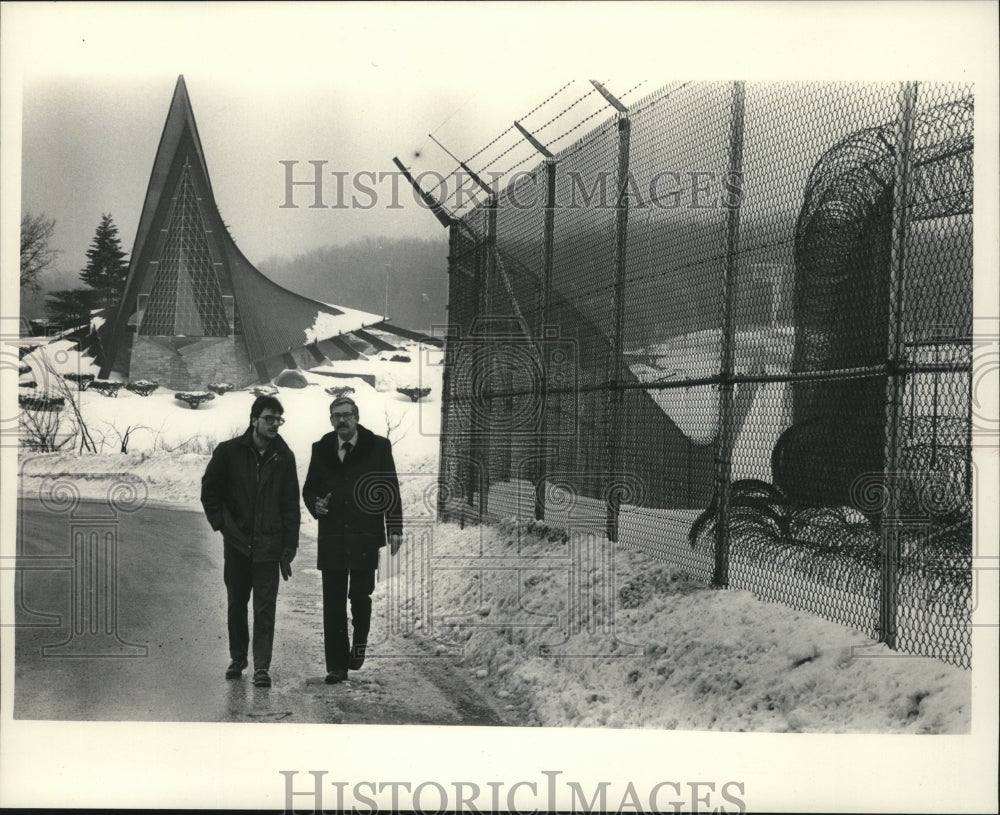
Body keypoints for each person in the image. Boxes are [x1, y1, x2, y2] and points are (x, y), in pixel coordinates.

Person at [201, 395, 300, 688]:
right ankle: (238, 657)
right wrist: (223, 525)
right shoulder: (229, 452)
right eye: (269, 418)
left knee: (265, 608)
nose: (274, 425)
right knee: (236, 604)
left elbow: (290, 504)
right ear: (254, 419)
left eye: (278, 419)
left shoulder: (285, 456)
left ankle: (262, 668)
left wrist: (290, 545)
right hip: (237, 545)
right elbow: (210, 492)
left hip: (270, 546)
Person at [303, 396, 402, 684]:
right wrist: (315, 504)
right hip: (332, 534)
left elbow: (390, 489)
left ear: (356, 417)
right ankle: (336, 665)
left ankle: (358, 645)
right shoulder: (321, 448)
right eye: (336, 416)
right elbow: (309, 488)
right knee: (332, 603)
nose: (342, 421)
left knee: (360, 596)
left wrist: (394, 527)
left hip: (364, 534)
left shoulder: (378, 446)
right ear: (331, 420)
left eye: (347, 415)